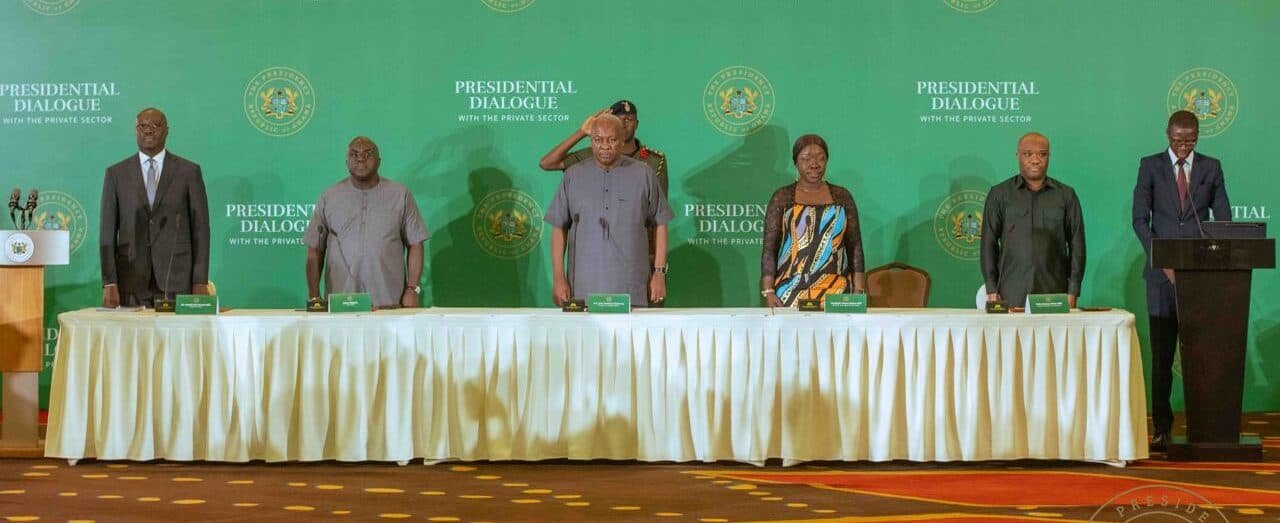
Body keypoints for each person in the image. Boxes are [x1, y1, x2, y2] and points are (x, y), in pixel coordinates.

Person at [1132, 110, 1231, 451]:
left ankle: (1205, 426)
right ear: (1167, 134)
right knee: (1162, 356)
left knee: (1204, 355)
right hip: (1161, 279)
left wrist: (1213, 261)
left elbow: (1224, 219)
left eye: (1190, 140)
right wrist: (1163, 262)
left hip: (1201, 279)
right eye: (1178, 140)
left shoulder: (1211, 168)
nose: (1184, 147)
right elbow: (1139, 220)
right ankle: (1161, 427)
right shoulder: (1150, 166)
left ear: (1198, 136)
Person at [544, 114, 673, 307]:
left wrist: (659, 273)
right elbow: (558, 228)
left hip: (632, 287)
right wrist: (558, 278)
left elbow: (660, 224)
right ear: (591, 141)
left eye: (611, 140)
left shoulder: (644, 173)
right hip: (582, 287)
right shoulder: (573, 174)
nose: (605, 146)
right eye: (598, 140)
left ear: (622, 141)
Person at [99, 108, 210, 308]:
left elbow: (201, 230)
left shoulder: (189, 172)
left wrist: (200, 281)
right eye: (142, 125)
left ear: (167, 130)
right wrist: (109, 281)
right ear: (135, 131)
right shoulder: (116, 174)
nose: (148, 130)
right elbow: (107, 232)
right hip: (130, 281)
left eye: (155, 125)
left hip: (177, 279)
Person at [303, 136, 429, 309]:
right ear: (346, 162)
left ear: (379, 161)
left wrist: (412, 289)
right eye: (354, 154)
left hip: (389, 302)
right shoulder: (329, 197)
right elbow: (314, 250)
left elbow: (416, 243)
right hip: (342, 304)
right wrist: (314, 296)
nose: (361, 158)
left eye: (368, 153)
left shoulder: (400, 195)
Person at [980, 132, 1086, 308]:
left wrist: (1073, 290)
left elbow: (1077, 245)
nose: (1035, 160)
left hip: (1055, 292)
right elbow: (988, 244)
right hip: (1009, 291)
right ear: (1018, 156)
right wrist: (992, 289)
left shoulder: (1066, 195)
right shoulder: (999, 194)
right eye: (1028, 154)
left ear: (1049, 157)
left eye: (1042, 154)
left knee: (1053, 337)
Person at [760, 134, 865, 307]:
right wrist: (768, 290)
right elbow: (769, 249)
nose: (814, 164)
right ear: (796, 163)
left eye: (820, 158)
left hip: (836, 291)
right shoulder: (782, 197)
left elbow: (855, 247)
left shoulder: (842, 196)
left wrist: (859, 289)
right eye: (806, 159)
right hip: (789, 291)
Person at [539, 100, 668, 195]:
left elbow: (658, 214)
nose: (623, 124)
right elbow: (547, 163)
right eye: (619, 119)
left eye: (629, 119)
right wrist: (582, 132)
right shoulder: (593, 154)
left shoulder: (655, 161)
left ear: (637, 124)